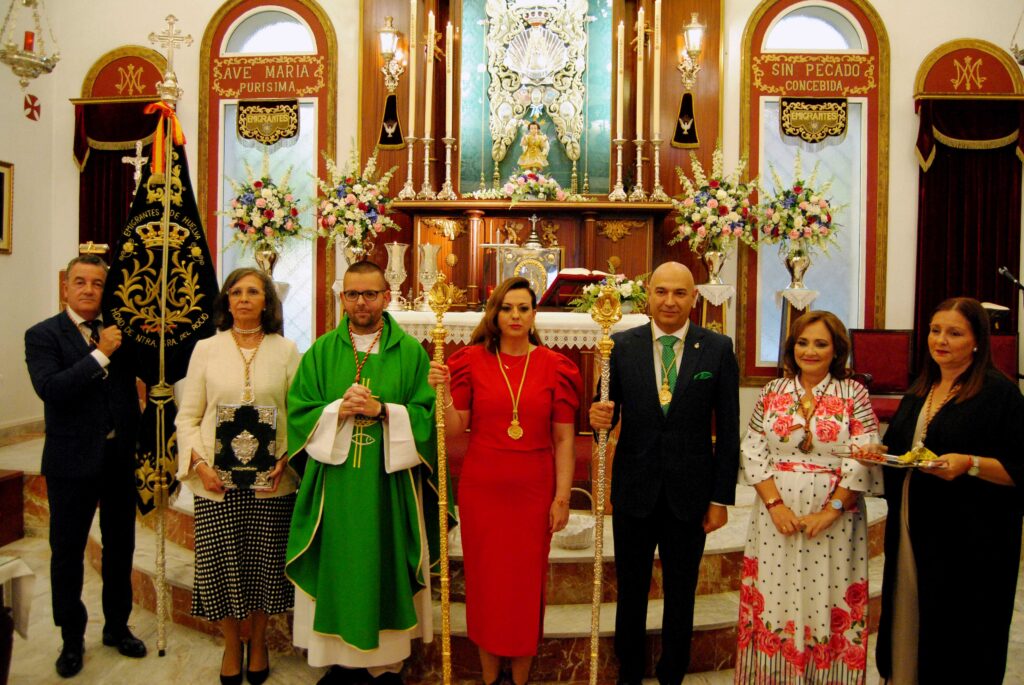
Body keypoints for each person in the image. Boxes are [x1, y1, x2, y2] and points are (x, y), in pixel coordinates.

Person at [285, 260, 446, 685]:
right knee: (338, 568)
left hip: (388, 489)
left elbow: (427, 417)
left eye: (370, 294)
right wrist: (337, 410)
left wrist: (383, 411)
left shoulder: (410, 352)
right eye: (353, 294)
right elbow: (298, 411)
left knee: (383, 565)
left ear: (386, 297)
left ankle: (386, 664)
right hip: (335, 489)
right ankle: (337, 663)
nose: (361, 302)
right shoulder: (321, 351)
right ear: (342, 298)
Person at [589, 262, 739, 685]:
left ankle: (673, 672)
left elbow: (729, 430)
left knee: (681, 592)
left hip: (689, 493)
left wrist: (720, 498)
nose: (669, 301)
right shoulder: (621, 346)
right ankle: (629, 673)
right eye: (661, 292)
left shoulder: (717, 348)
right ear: (648, 296)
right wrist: (597, 419)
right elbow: (604, 414)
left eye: (679, 293)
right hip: (634, 490)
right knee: (631, 590)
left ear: (694, 298)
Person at [427, 277, 582, 685]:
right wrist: (443, 393)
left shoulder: (555, 366)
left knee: (525, 587)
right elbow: (454, 428)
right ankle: (490, 677)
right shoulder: (471, 361)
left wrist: (562, 497)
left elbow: (564, 439)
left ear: (534, 314)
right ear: (495, 314)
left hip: (533, 489)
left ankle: (520, 678)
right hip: (484, 488)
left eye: (523, 308)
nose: (515, 316)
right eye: (507, 308)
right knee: (486, 585)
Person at [875, 297, 1024, 684]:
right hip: (914, 526)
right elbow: (903, 450)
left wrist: (970, 464)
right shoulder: (921, 388)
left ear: (977, 341)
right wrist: (877, 453)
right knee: (909, 613)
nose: (940, 340)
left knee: (958, 636)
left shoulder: (999, 394)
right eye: (935, 330)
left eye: (954, 333)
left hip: (970, 542)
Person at [734, 310, 882, 684]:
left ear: (837, 350)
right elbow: (753, 449)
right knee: (774, 594)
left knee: (828, 596)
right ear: (791, 347)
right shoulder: (772, 391)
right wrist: (775, 505)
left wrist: (831, 511)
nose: (810, 351)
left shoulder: (854, 393)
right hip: (776, 515)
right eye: (802, 342)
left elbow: (864, 453)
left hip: (836, 517)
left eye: (820, 344)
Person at [174, 268, 299, 685]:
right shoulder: (206, 349)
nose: (243, 298)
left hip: (270, 482)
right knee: (222, 568)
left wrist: (284, 457)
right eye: (236, 291)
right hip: (216, 483)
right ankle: (231, 644)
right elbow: (188, 417)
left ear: (267, 301)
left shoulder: (287, 350)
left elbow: (297, 413)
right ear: (226, 301)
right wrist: (201, 465)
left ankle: (258, 642)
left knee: (264, 567)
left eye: (253, 292)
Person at [24, 254, 147, 679]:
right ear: (66, 287)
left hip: (118, 460)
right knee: (67, 552)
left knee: (120, 548)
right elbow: (52, 389)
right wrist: (100, 354)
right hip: (71, 462)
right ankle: (72, 638)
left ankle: (117, 627)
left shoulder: (121, 331)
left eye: (97, 283)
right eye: (80, 281)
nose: (89, 290)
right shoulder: (43, 335)